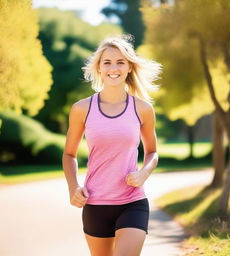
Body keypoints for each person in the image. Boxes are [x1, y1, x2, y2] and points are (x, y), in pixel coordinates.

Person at [62, 34, 162, 256]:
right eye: (107, 62)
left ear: (129, 67)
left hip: (132, 202)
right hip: (95, 203)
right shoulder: (82, 109)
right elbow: (69, 154)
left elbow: (152, 151)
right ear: (99, 67)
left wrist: (144, 172)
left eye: (120, 62)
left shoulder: (143, 109)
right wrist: (72, 188)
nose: (113, 68)